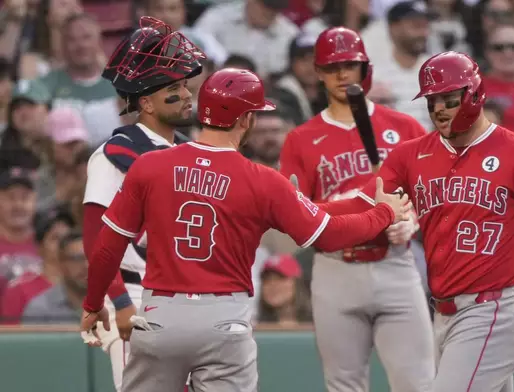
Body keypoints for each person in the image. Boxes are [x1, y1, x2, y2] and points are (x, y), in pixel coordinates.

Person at [79, 67, 411, 392]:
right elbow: (328, 233)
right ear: (245, 120)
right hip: (223, 320)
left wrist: (95, 303)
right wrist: (383, 213)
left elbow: (107, 246)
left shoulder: (149, 165)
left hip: (159, 313)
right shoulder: (262, 180)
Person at [313, 51, 514, 392]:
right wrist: (301, 208)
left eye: (448, 99)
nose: (439, 109)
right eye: (432, 101)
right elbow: (364, 202)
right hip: (443, 315)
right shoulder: (410, 154)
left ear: (474, 95)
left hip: (492, 311)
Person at [279, 26, 435, 392]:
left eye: (350, 65)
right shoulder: (301, 139)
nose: (342, 74)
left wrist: (410, 222)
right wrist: (353, 204)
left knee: (419, 383)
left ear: (365, 68)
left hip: (395, 263)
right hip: (336, 269)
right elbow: (295, 215)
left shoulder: (404, 126)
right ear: (318, 72)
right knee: (343, 385)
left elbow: (428, 194)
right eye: (332, 67)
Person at [80, 16, 205, 392]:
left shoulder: (190, 151)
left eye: (185, 86)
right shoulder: (114, 153)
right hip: (135, 292)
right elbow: (94, 238)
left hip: (188, 293)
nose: (187, 95)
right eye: (175, 87)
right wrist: (119, 301)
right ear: (146, 102)